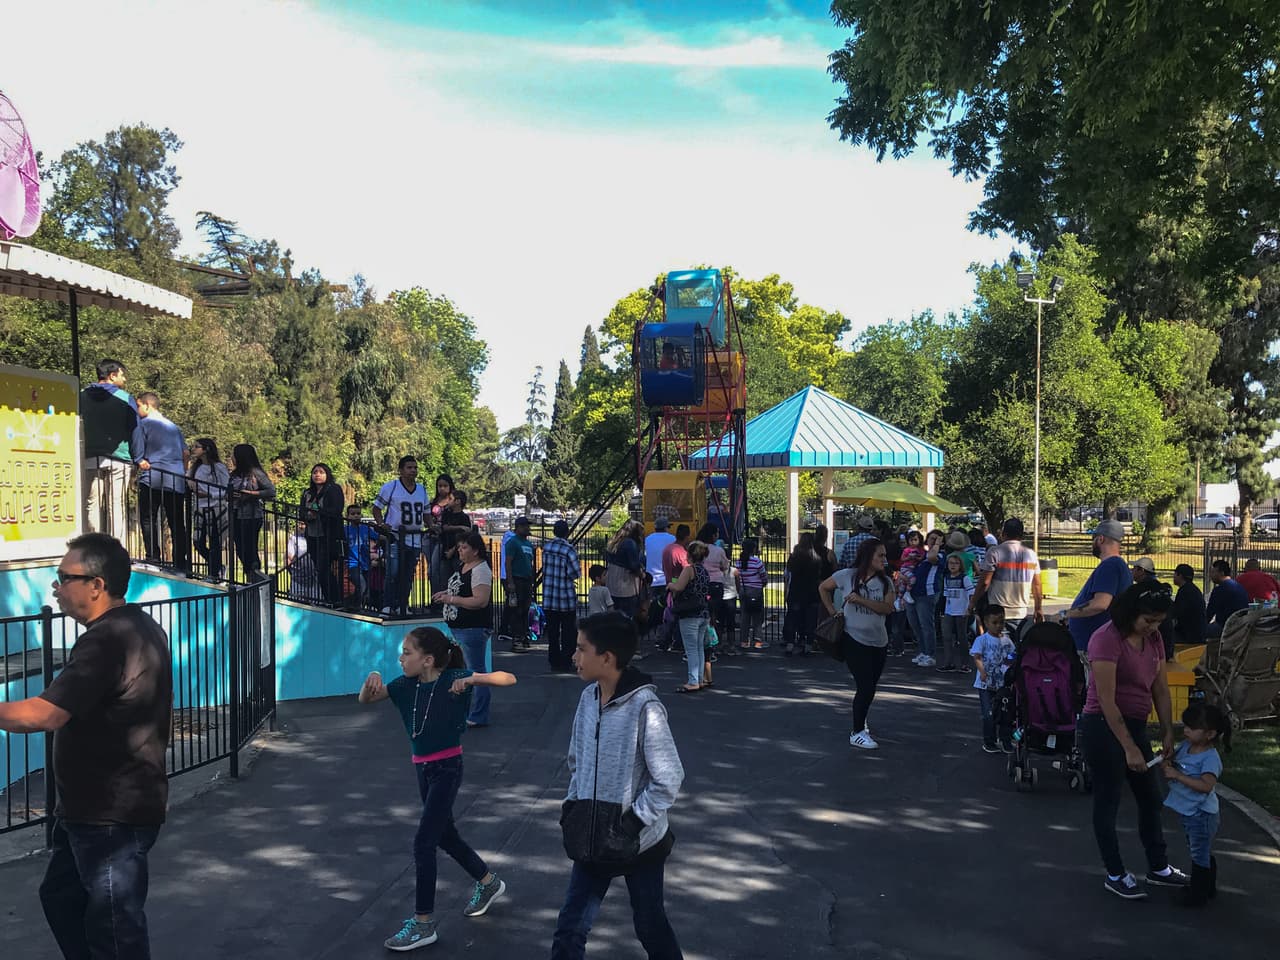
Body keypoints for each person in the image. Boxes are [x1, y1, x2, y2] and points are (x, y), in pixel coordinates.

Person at [0, 534, 172, 959]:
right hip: (92, 812)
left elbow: (46, 714)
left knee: (114, 930)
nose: (55, 588)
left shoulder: (108, 639)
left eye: (64, 578)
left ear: (96, 585)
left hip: (109, 816)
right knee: (62, 898)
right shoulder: (133, 626)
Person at [358, 627, 514, 950]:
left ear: (428, 660)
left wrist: (473, 680)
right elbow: (367, 699)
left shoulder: (452, 680)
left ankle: (423, 923)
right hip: (423, 770)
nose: (401, 659)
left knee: (423, 843)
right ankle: (488, 882)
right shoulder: (404, 686)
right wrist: (371, 677)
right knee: (445, 836)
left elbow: (507, 678)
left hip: (447, 769)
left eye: (407, 653)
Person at [551, 613, 685, 959]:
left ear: (607, 658)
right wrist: (572, 806)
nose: (574, 656)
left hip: (639, 842)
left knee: (649, 923)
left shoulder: (645, 708)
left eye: (582, 650)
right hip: (593, 837)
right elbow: (576, 761)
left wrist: (632, 823)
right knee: (570, 927)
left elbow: (669, 777)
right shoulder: (587, 699)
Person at [1078, 580, 1188, 899]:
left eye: (1158, 621)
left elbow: (1161, 688)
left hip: (1136, 725)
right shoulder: (1106, 640)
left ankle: (1158, 867)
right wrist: (1129, 748)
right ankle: (1115, 873)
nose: (1153, 627)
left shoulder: (1153, 640)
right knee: (1109, 799)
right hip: (1103, 725)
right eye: (1148, 620)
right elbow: (1107, 700)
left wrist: (1167, 730)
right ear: (1131, 613)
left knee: (1150, 798)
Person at [820, 538, 895, 750]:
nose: (884, 559)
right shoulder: (847, 575)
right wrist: (833, 612)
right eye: (880, 555)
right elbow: (823, 587)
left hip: (879, 641)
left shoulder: (886, 582)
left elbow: (886, 608)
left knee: (870, 687)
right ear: (867, 556)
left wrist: (861, 600)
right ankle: (857, 731)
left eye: (884, 555)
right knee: (865, 685)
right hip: (853, 639)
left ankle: (861, 718)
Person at [1162, 702, 1230, 907]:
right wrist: (1166, 761)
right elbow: (1174, 764)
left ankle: (1197, 894)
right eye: (1185, 726)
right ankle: (1208, 887)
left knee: (1198, 854)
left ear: (1209, 734)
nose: (1186, 730)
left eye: (1192, 727)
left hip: (1202, 814)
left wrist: (1177, 775)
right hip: (1189, 812)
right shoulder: (1186, 747)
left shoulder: (1210, 758)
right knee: (1199, 849)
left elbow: (1206, 786)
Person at [434, 532, 497, 727]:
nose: (460, 551)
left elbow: (480, 600)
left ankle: (479, 714)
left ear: (475, 550)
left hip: (473, 627)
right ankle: (468, 709)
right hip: (459, 627)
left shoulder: (480, 570)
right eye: (459, 547)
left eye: (464, 548)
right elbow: (462, 588)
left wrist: (451, 599)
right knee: (466, 670)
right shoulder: (464, 567)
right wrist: (446, 593)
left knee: (476, 671)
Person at [80, 359, 138, 544]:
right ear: (112, 375)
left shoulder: (81, 396)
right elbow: (134, 429)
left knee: (91, 503)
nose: (125, 378)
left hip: (88, 457)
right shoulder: (125, 398)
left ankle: (93, 543)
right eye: (122, 374)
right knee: (116, 504)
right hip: (118, 459)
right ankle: (116, 546)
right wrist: (137, 457)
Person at [132, 392, 190, 572]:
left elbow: (138, 448)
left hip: (152, 477)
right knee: (177, 522)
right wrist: (183, 471)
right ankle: (181, 561)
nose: (137, 410)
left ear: (147, 406)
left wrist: (140, 461)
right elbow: (186, 453)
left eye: (138, 406)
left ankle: (153, 557)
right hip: (176, 479)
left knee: (149, 519)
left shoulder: (143, 424)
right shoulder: (173, 427)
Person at [373, 456, 430, 617]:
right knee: (393, 572)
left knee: (408, 574)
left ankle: (402, 604)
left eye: (415, 467)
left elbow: (426, 512)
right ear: (401, 470)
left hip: (415, 537)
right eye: (409, 467)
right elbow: (376, 508)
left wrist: (431, 525)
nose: (413, 471)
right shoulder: (391, 487)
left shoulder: (421, 489)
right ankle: (387, 605)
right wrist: (381, 524)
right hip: (396, 537)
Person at [1065, 519, 1132, 654]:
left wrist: (1066, 615)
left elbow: (1100, 604)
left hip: (1093, 647)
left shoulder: (1110, 566)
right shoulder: (1119, 565)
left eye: (1093, 538)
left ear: (1100, 539)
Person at [973, 517, 1043, 640]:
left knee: (999, 651)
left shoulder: (995, 553)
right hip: (1021, 611)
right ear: (1021, 535)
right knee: (1017, 650)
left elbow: (985, 582)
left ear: (1003, 534)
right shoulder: (1031, 555)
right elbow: (1037, 585)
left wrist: (973, 602)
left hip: (997, 612)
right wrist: (1038, 608)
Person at [970, 604, 1016, 753]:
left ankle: (1006, 740)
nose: (998, 626)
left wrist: (1008, 669)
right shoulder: (982, 640)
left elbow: (1013, 655)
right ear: (986, 622)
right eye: (994, 623)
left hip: (1002, 684)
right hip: (985, 684)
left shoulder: (1007, 641)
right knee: (989, 714)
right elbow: (977, 656)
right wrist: (982, 671)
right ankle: (989, 741)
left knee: (1005, 713)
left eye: (1001, 622)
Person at [227, 443, 276, 581]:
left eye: (234, 455)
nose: (232, 458)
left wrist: (249, 494)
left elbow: (271, 491)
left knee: (250, 548)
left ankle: (255, 577)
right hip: (236, 514)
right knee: (240, 548)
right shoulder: (233, 475)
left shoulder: (255, 473)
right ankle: (250, 575)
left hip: (251, 515)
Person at [668, 540, 712, 692]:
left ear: (690, 554)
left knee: (691, 649)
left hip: (689, 613)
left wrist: (670, 585)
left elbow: (679, 586)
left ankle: (693, 680)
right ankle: (699, 679)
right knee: (699, 648)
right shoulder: (704, 571)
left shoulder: (689, 570)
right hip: (703, 612)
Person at [300, 462, 345, 604]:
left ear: (327, 474)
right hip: (313, 535)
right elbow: (301, 511)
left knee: (325, 568)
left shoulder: (333, 489)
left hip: (328, 536)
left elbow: (337, 509)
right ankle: (329, 599)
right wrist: (308, 516)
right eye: (315, 472)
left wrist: (319, 512)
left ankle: (335, 600)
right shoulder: (307, 493)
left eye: (321, 472)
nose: (317, 475)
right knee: (320, 569)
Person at [187, 437, 230, 580]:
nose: (194, 449)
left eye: (197, 447)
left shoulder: (219, 467)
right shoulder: (195, 467)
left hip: (215, 507)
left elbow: (226, 489)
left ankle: (214, 573)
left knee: (214, 542)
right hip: (200, 508)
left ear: (206, 449)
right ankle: (216, 566)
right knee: (197, 541)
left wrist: (209, 494)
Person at [542, 519, 581, 672]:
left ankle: (554, 660)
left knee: (552, 632)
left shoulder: (547, 547)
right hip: (565, 598)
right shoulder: (568, 549)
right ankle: (566, 660)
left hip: (549, 596)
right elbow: (575, 573)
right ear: (567, 532)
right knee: (568, 632)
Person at [783, 533, 823, 656]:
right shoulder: (816, 558)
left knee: (793, 618)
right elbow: (819, 576)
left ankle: (790, 644)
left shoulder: (794, 557)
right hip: (811, 592)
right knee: (810, 620)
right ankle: (808, 645)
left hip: (796, 591)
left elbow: (789, 572)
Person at [905, 530, 942, 661]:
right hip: (913, 592)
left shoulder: (941, 555)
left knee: (926, 624)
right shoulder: (922, 554)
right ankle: (922, 650)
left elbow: (933, 558)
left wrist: (937, 545)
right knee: (914, 623)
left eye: (936, 539)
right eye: (931, 539)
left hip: (927, 593)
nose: (932, 541)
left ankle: (930, 653)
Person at [502, 516, 537, 649]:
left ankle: (524, 636)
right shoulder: (513, 542)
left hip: (527, 580)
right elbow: (508, 562)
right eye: (525, 526)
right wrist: (510, 582)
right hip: (516, 579)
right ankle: (516, 639)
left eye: (528, 526)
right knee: (516, 610)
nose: (528, 528)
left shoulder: (528, 544)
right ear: (518, 527)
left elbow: (530, 562)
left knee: (525, 609)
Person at [935, 553, 972, 670]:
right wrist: (943, 610)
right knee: (947, 637)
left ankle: (964, 663)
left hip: (961, 611)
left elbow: (971, 593)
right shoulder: (947, 578)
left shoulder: (964, 578)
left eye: (956, 563)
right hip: (949, 611)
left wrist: (969, 608)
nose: (953, 565)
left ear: (960, 565)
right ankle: (948, 662)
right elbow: (945, 595)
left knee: (962, 637)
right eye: (951, 563)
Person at [425, 474, 458, 600]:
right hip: (430, 537)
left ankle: (440, 598)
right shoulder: (433, 502)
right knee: (432, 570)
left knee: (435, 570)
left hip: (443, 539)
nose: (442, 489)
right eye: (439, 486)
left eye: (445, 486)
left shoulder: (452, 502)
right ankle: (434, 598)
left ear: (450, 487)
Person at [605, 521, 645, 619]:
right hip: (626, 586)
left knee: (615, 616)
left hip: (612, 583)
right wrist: (642, 574)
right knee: (627, 616)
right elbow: (634, 565)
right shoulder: (630, 543)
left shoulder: (615, 542)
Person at [736, 536, 768, 651]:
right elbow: (763, 576)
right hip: (755, 590)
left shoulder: (739, 562)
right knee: (757, 617)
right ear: (752, 549)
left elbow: (737, 576)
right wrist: (763, 584)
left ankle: (744, 641)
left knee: (744, 616)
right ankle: (758, 641)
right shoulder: (757, 561)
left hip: (744, 590)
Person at [1204, 559, 1249, 638]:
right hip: (1241, 626)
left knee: (1198, 632)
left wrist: (1201, 626)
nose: (1211, 575)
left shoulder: (1220, 590)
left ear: (1222, 573)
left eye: (1213, 572)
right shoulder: (1239, 586)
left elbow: (1209, 613)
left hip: (1225, 627)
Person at [344, 503, 376, 611]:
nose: (356, 516)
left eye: (358, 513)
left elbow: (377, 537)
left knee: (368, 587)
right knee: (361, 584)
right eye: (352, 514)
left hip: (365, 563)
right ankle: (356, 606)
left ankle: (362, 605)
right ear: (347, 516)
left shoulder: (365, 528)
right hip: (352, 563)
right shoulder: (345, 530)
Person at [1171, 564, 1206, 655]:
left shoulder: (1185, 592)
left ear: (1180, 576)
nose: (1173, 576)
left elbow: (1175, 613)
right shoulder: (1192, 589)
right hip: (1196, 633)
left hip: (1189, 637)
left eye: (1175, 574)